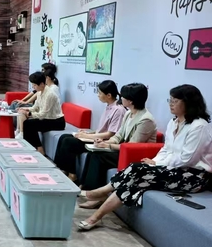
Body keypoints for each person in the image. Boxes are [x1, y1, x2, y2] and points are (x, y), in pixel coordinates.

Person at [78, 84, 212, 231]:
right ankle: (96, 216)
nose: (171, 104)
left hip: (194, 176)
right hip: (172, 168)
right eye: (170, 100)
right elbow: (166, 149)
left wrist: (157, 163)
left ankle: (101, 195)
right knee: (135, 174)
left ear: (189, 103)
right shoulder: (173, 122)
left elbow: (187, 159)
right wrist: (156, 161)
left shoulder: (199, 126)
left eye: (175, 101)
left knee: (137, 171)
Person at [79, 83, 157, 200]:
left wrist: (108, 146)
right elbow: (118, 136)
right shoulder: (128, 113)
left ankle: (96, 196)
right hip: (123, 150)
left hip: (135, 155)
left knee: (99, 157)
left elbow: (132, 146)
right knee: (93, 153)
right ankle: (86, 187)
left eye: (123, 96)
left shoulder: (146, 119)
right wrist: (105, 143)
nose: (121, 98)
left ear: (131, 101)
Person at [54, 80, 126, 185]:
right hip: (97, 136)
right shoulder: (109, 106)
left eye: (100, 93)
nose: (98, 95)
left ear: (109, 95)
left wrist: (86, 136)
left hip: (103, 140)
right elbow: (102, 129)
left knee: (69, 142)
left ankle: (72, 175)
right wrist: (89, 133)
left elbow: (110, 134)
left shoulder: (118, 110)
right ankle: (63, 169)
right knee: (63, 137)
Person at [17, 71, 65, 154]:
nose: (33, 87)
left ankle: (39, 149)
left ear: (42, 84)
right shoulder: (39, 93)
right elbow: (35, 107)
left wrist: (29, 114)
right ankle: (31, 147)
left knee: (30, 124)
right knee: (27, 123)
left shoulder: (50, 94)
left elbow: (43, 114)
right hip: (48, 119)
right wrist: (25, 109)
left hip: (57, 121)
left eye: (34, 85)